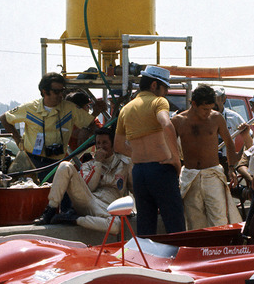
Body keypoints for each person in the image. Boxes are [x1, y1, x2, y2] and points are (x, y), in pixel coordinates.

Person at [114, 65, 185, 235]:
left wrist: (139, 154)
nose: (166, 92)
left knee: (145, 225)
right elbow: (167, 125)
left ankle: (145, 259)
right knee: (175, 224)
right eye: (165, 87)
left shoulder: (126, 109)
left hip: (139, 172)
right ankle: (178, 259)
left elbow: (118, 145)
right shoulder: (158, 102)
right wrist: (175, 159)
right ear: (154, 85)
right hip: (161, 169)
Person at [2, 72, 101, 179]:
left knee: (59, 194)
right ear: (45, 92)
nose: (60, 95)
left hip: (57, 163)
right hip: (33, 162)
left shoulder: (70, 108)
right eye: (56, 91)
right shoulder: (30, 108)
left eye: (62, 91)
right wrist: (18, 141)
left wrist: (94, 115)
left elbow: (89, 123)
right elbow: (4, 118)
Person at [34, 126, 132, 232]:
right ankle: (50, 210)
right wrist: (98, 163)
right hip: (89, 199)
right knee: (65, 166)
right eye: (98, 143)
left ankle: (74, 219)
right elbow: (89, 187)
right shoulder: (89, 165)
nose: (101, 147)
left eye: (105, 143)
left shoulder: (125, 163)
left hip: (107, 206)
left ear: (113, 145)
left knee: (115, 226)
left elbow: (134, 188)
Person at [171, 84, 241, 230]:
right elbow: (171, 150)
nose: (208, 112)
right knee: (193, 218)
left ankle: (221, 249)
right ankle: (199, 250)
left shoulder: (216, 118)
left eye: (210, 108)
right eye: (205, 109)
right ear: (194, 104)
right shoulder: (178, 121)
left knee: (219, 216)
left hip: (213, 174)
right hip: (190, 175)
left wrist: (232, 168)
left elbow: (229, 143)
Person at [214, 87, 253, 160]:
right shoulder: (203, 117)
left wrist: (239, 158)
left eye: (216, 99)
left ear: (224, 99)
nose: (213, 104)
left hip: (227, 161)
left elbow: (250, 138)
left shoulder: (234, 117)